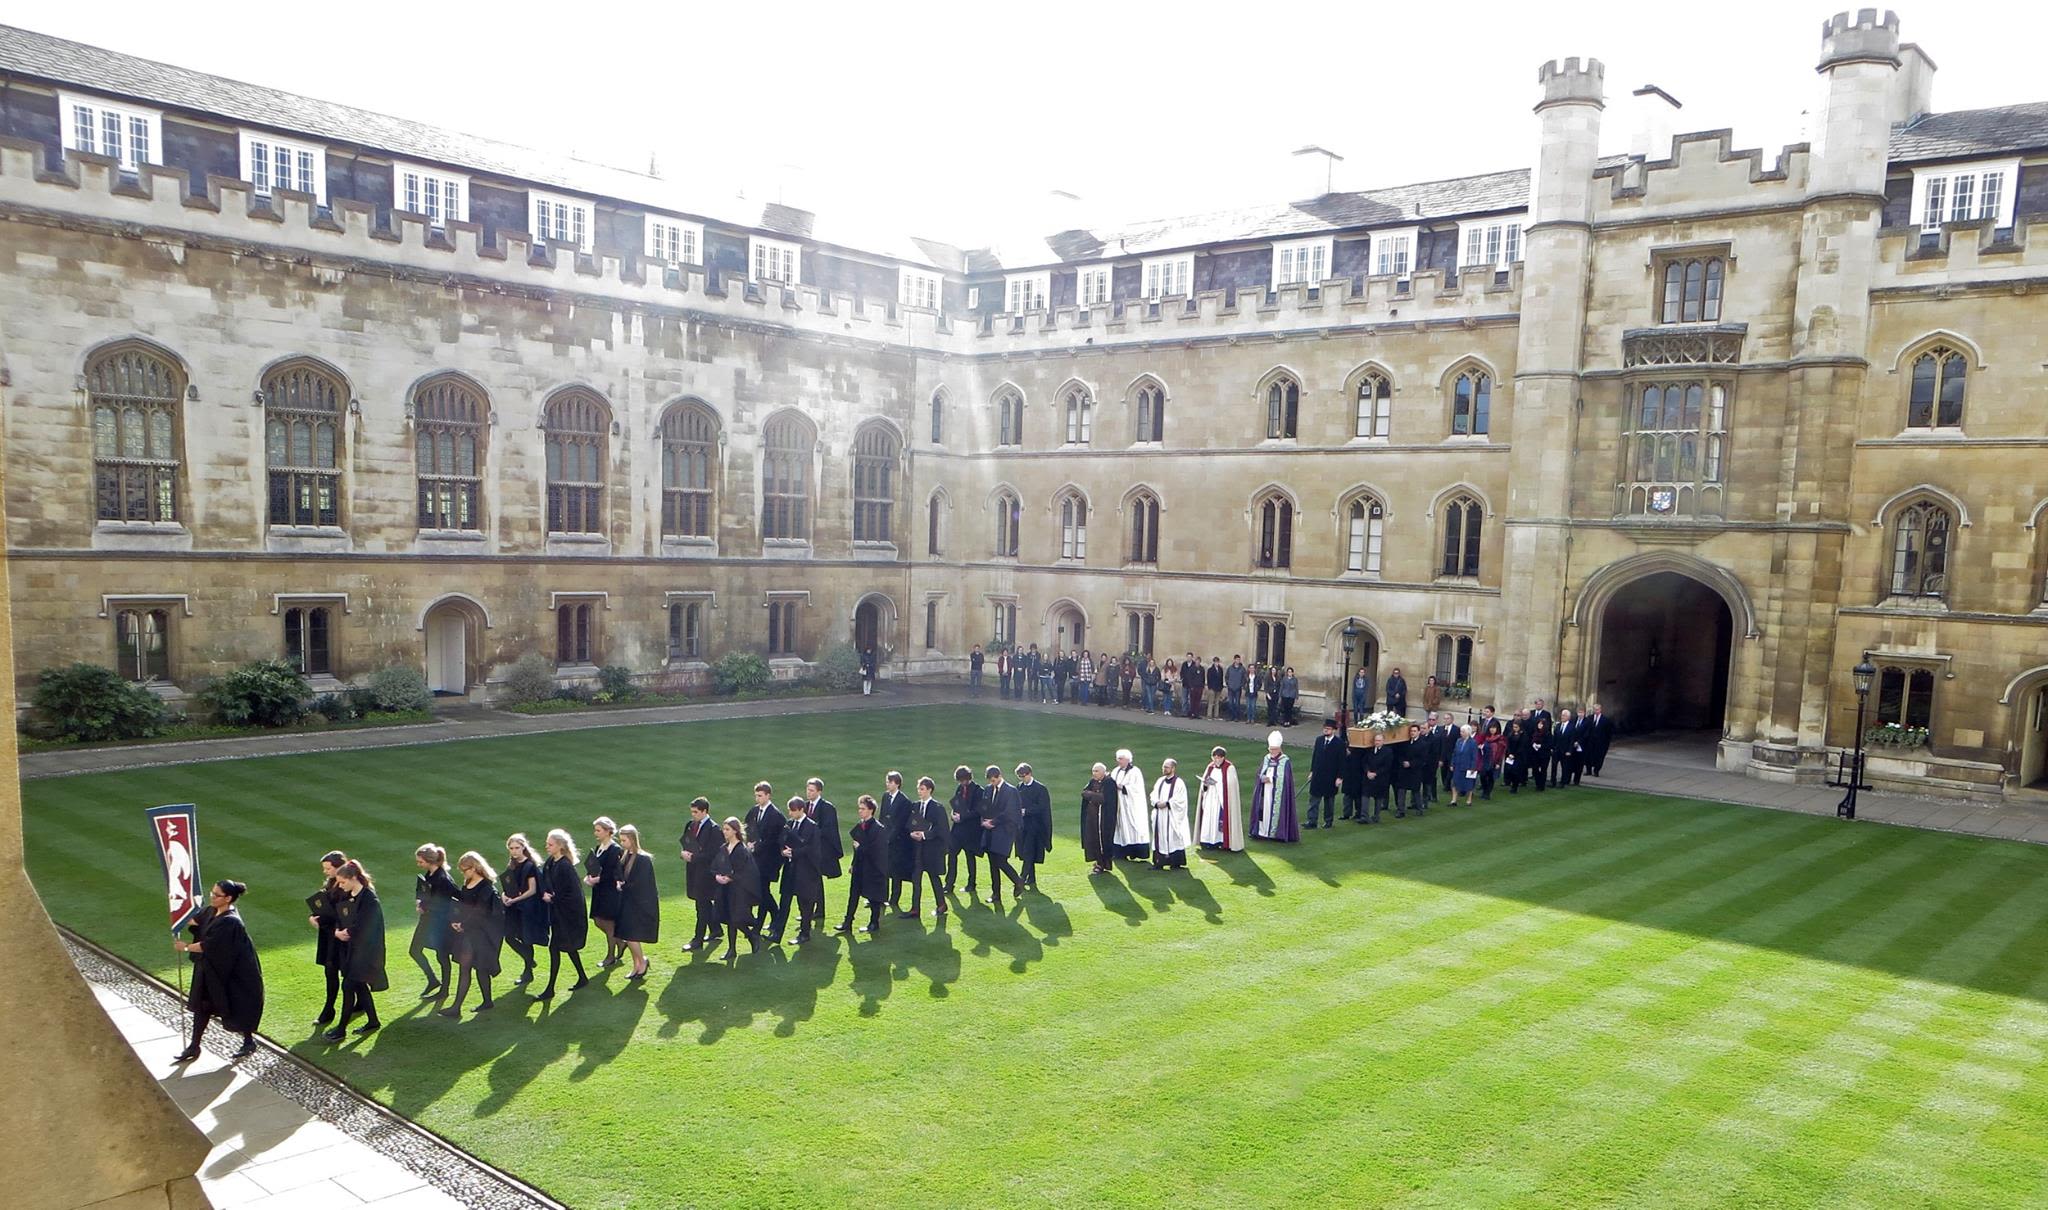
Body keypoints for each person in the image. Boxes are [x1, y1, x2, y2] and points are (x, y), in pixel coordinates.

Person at [173, 878, 264, 1062]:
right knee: (203, 1005)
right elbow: (194, 920)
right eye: (212, 893)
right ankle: (194, 1046)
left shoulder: (230, 921)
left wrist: (185, 947)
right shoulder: (211, 911)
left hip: (234, 972)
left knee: (237, 1003)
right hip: (212, 969)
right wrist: (178, 910)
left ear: (228, 898)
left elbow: (208, 945)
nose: (213, 897)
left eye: (217, 895)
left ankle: (248, 1041)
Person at [326, 861, 386, 1041]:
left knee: (348, 985)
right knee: (359, 985)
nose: (341, 886)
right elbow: (341, 916)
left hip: (366, 952)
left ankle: (341, 1028)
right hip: (352, 949)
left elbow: (367, 926)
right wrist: (338, 931)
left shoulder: (369, 899)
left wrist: (347, 933)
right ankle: (373, 1021)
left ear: (353, 878)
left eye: (343, 882)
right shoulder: (351, 895)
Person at [442, 851, 504, 1017]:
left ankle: (460, 1007)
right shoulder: (468, 883)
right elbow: (463, 906)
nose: (463, 873)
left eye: (465, 869)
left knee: (475, 968)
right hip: (468, 932)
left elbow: (480, 912)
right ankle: (484, 1001)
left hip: (481, 934)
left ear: (475, 867)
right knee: (471, 967)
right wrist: (456, 920)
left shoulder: (486, 888)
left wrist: (463, 924)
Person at [537, 829, 590, 1000]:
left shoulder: (565, 866)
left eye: (550, 844)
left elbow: (573, 894)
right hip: (559, 914)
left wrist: (552, 898)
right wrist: (546, 893)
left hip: (567, 916)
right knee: (568, 948)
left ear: (559, 846)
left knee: (557, 948)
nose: (547, 846)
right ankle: (582, 977)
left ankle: (550, 988)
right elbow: (545, 881)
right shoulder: (552, 862)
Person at [499, 834, 550, 986]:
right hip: (514, 908)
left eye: (517, 848)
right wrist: (504, 897)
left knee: (526, 939)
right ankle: (529, 960)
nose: (514, 851)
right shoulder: (512, 865)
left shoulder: (530, 866)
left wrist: (514, 900)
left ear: (523, 848)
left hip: (527, 908)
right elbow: (507, 888)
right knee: (509, 936)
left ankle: (528, 971)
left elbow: (532, 890)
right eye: (511, 848)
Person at [772, 797, 823, 945]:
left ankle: (804, 933)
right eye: (790, 810)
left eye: (793, 810)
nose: (791, 813)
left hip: (805, 873)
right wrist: (783, 851)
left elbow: (812, 849)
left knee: (805, 905)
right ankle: (777, 934)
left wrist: (793, 852)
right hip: (790, 871)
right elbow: (781, 840)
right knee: (784, 903)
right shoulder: (789, 824)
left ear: (801, 810)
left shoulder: (812, 827)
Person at [306, 850, 348, 1027]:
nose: (326, 872)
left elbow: (344, 913)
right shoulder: (332, 883)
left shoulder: (345, 886)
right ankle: (329, 1008)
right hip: (330, 935)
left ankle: (331, 1010)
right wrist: (313, 916)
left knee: (346, 974)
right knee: (331, 972)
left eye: (328, 868)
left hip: (340, 936)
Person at [410, 843, 457, 999]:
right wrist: (420, 902)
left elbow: (450, 901)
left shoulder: (443, 879)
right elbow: (423, 892)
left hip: (440, 923)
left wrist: (425, 906)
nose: (419, 864)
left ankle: (444, 990)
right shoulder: (430, 875)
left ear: (429, 861)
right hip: (428, 920)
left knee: (442, 956)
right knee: (415, 950)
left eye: (421, 861)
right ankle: (433, 980)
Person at [612, 824, 659, 980]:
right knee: (628, 936)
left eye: (624, 840)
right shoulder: (625, 856)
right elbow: (619, 874)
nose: (622, 843)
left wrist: (624, 886)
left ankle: (641, 962)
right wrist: (619, 882)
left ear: (632, 839)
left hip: (638, 905)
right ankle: (637, 964)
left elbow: (642, 884)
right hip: (627, 903)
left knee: (632, 937)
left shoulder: (643, 859)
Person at [711, 818, 762, 958]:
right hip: (725, 890)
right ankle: (732, 949)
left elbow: (746, 872)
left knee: (736, 919)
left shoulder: (742, 850)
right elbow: (715, 866)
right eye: (724, 829)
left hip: (739, 890)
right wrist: (717, 877)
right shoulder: (723, 848)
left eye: (727, 829)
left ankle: (752, 936)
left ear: (735, 830)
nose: (724, 832)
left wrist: (730, 878)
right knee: (728, 919)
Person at [837, 795, 887, 934]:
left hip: (872, 868)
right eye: (859, 808)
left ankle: (874, 922)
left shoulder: (878, 828)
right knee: (853, 894)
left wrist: (860, 847)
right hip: (860, 867)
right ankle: (847, 922)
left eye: (863, 808)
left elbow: (876, 850)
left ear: (871, 810)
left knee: (873, 897)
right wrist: (853, 863)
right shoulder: (860, 826)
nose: (860, 811)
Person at [901, 776, 949, 917]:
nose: (919, 792)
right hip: (917, 850)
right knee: (916, 880)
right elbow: (911, 824)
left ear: (929, 790)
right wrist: (912, 833)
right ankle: (915, 909)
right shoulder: (915, 806)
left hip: (931, 850)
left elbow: (941, 829)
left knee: (934, 878)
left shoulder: (937, 808)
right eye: (918, 789)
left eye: (922, 789)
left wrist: (924, 835)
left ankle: (941, 904)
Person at [679, 798, 722, 952]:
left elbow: (713, 853)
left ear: (705, 811)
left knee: (701, 905)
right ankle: (716, 929)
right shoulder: (691, 825)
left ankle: (698, 939)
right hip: (693, 871)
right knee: (702, 903)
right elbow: (686, 843)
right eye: (692, 812)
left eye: (696, 812)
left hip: (705, 874)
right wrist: (684, 854)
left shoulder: (714, 829)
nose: (693, 815)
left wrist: (693, 857)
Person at [584, 817, 625, 969]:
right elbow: (595, 868)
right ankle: (620, 942)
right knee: (598, 921)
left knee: (608, 924)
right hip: (599, 890)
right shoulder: (598, 848)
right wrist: (589, 877)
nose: (596, 833)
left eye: (598, 830)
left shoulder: (615, 849)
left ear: (608, 831)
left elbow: (614, 872)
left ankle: (610, 956)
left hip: (609, 891)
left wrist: (597, 879)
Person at [981, 764, 1024, 907]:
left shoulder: (1010, 791)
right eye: (990, 781)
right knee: (992, 863)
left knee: (1000, 860)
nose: (991, 784)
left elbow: (1010, 812)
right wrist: (984, 820)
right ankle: (996, 894)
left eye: (993, 780)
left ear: (999, 776)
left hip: (1005, 831)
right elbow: (984, 807)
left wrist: (993, 822)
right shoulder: (988, 789)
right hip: (990, 831)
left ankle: (1018, 881)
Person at [803, 778, 845, 924]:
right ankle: (812, 910)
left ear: (819, 791)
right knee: (812, 880)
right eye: (808, 790)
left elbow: (828, 830)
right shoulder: (805, 806)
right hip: (808, 851)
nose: (809, 793)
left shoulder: (827, 808)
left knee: (816, 880)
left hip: (820, 851)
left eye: (812, 790)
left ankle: (819, 909)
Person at [745, 783, 785, 932]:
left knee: (763, 891)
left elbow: (774, 840)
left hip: (768, 862)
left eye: (760, 795)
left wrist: (756, 846)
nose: (757, 798)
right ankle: (775, 915)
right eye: (756, 795)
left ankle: (761, 923)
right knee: (761, 891)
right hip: (755, 860)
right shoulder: (754, 811)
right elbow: (747, 828)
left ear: (768, 795)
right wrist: (748, 842)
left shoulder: (776, 815)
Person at [1250, 733, 1300, 842]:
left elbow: (1285, 778)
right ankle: (1261, 832)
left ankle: (1276, 833)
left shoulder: (1284, 761)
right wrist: (1262, 777)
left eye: (1274, 749)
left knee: (1275, 810)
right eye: (1270, 749)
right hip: (1265, 791)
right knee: (1263, 810)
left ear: (1279, 749)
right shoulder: (1266, 758)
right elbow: (1260, 772)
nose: (1272, 752)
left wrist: (1271, 778)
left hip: (1277, 792)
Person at [1195, 746, 1245, 851]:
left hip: (1221, 800)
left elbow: (1231, 786)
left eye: (1219, 758)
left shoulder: (1229, 768)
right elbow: (1204, 782)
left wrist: (1218, 785)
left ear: (1223, 757)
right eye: (1214, 757)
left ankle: (1221, 841)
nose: (1216, 760)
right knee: (1208, 819)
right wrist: (1205, 784)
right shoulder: (1210, 767)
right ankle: (1207, 841)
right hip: (1210, 798)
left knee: (1220, 819)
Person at [946, 764, 985, 897]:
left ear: (968, 778)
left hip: (970, 831)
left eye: (963, 780)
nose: (962, 783)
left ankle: (971, 884)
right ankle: (949, 884)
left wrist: (962, 816)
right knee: (952, 855)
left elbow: (978, 811)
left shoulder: (979, 790)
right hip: (958, 830)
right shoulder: (959, 789)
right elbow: (956, 805)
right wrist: (953, 815)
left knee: (970, 857)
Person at [881, 771, 916, 913]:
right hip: (886, 839)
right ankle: (882, 896)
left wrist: (889, 838)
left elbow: (900, 824)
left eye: (889, 782)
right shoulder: (885, 797)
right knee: (883, 869)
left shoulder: (904, 801)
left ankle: (894, 898)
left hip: (898, 842)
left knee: (895, 871)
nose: (887, 784)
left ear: (897, 783)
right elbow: (882, 817)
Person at [1014, 763, 1053, 891]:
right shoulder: (1019, 787)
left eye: (1023, 776)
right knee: (1026, 851)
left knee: (1028, 851)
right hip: (1023, 826)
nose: (1021, 779)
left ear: (1030, 773)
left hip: (1035, 826)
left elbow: (1042, 807)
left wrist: (1026, 811)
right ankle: (1031, 878)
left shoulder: (1040, 788)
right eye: (1019, 777)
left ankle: (1022, 877)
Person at [1149, 759, 1192, 870]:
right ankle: (1159, 862)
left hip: (1171, 815)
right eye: (1163, 767)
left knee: (1172, 837)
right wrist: (1157, 802)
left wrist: (1168, 803)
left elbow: (1180, 800)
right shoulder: (1160, 781)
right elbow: (1153, 794)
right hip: (1160, 815)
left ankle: (1175, 863)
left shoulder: (1179, 783)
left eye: (1167, 767)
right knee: (1159, 837)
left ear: (1173, 768)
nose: (1164, 769)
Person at [1109, 748, 1150, 860]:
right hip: (1118, 806)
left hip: (1131, 806)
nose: (1118, 761)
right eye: (1118, 759)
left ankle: (1135, 852)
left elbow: (1137, 789)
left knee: (1132, 827)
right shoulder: (1115, 771)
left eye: (1121, 759)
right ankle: (1120, 852)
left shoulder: (1135, 772)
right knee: (1120, 827)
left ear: (1128, 759)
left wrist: (1122, 787)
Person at [1307, 717, 1345, 828]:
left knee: (1329, 801)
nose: (1326, 730)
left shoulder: (1339, 744)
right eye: (1325, 728)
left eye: (1328, 729)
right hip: (1318, 775)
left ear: (1333, 730)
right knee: (1314, 800)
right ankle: (1312, 821)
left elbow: (1342, 762)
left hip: (1331, 776)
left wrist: (1340, 777)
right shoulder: (1319, 740)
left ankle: (1328, 821)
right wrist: (1312, 771)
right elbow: (1315, 757)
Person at [1081, 763, 1117, 874]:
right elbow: (1084, 793)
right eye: (1093, 771)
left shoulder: (1109, 782)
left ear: (1103, 772)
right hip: (1093, 818)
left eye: (1096, 771)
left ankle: (1103, 864)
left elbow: (1104, 799)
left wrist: (1091, 796)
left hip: (1104, 819)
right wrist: (1094, 795)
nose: (1094, 773)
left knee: (1103, 841)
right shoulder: (1093, 781)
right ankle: (1098, 861)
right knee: (1094, 839)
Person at [1359, 731, 1395, 823]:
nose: (1377, 742)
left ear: (1383, 741)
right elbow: (1364, 762)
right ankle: (1364, 816)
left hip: (1380, 778)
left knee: (1378, 798)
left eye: (1379, 740)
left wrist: (1375, 773)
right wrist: (1367, 772)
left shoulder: (1388, 752)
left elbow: (1387, 766)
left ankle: (1376, 816)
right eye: (1376, 740)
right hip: (1368, 777)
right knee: (1365, 795)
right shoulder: (1369, 750)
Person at [1393, 724, 1426, 817]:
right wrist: (1403, 762)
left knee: (1415, 791)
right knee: (1401, 790)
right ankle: (1400, 811)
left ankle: (1419, 809)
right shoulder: (1405, 743)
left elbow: (1422, 759)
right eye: (1411, 731)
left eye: (1414, 731)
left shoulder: (1423, 744)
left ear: (1419, 732)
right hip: (1404, 771)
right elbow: (1400, 754)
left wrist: (1411, 764)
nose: (1412, 733)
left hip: (1415, 771)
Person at [1451, 725, 1481, 806]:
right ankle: (1454, 800)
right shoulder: (1458, 741)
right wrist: (1452, 764)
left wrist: (1472, 767)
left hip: (1467, 766)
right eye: (1461, 731)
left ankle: (1469, 800)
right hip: (1458, 765)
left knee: (1469, 784)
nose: (1461, 733)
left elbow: (1474, 756)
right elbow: (1454, 753)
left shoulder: (1473, 743)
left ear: (1468, 733)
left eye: (1463, 732)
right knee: (1454, 783)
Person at [1582, 703, 1614, 776]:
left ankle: (1596, 771)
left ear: (1600, 710)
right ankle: (1588, 770)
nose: (1595, 711)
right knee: (1588, 756)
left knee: (1598, 757)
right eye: (1594, 710)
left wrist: (1606, 743)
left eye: (1597, 710)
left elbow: (1608, 733)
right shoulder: (1589, 718)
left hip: (1600, 743)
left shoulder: (1605, 720)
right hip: (1590, 742)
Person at [1479, 721, 1507, 801]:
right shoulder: (1486, 738)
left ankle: (1487, 793)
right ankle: (1485, 790)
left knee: (1490, 777)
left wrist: (1498, 762)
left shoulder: (1500, 739)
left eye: (1494, 728)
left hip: (1494, 760)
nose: (1492, 729)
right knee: (1483, 776)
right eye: (1491, 728)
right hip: (1485, 759)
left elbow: (1501, 751)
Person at [1503, 720, 1530, 794]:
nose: (1514, 728)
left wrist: (1514, 754)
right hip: (1510, 755)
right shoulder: (1511, 734)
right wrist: (1509, 753)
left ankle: (1515, 787)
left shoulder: (1523, 735)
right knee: (1509, 770)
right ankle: (1510, 782)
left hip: (1518, 756)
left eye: (1516, 727)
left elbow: (1522, 747)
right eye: (1513, 727)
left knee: (1516, 772)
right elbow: (1508, 744)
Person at [1529, 718, 1552, 792]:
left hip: (1544, 754)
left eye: (1541, 724)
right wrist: (1533, 744)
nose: (1539, 725)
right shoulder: (1535, 733)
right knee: (1535, 769)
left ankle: (1542, 785)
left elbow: (1549, 744)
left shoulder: (1548, 734)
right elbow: (1532, 740)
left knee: (1543, 770)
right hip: (1535, 754)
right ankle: (1537, 783)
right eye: (1539, 724)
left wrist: (1540, 746)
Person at [1225, 655, 1247, 722]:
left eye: (1239, 659)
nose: (1238, 661)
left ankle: (1237, 717)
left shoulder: (1242, 669)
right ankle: (1232, 716)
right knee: (1230, 703)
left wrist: (1241, 685)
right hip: (1230, 688)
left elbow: (1244, 678)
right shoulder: (1230, 668)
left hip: (1238, 688)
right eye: (1237, 659)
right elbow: (1226, 677)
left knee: (1237, 703)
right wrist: (1228, 684)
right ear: (1234, 660)